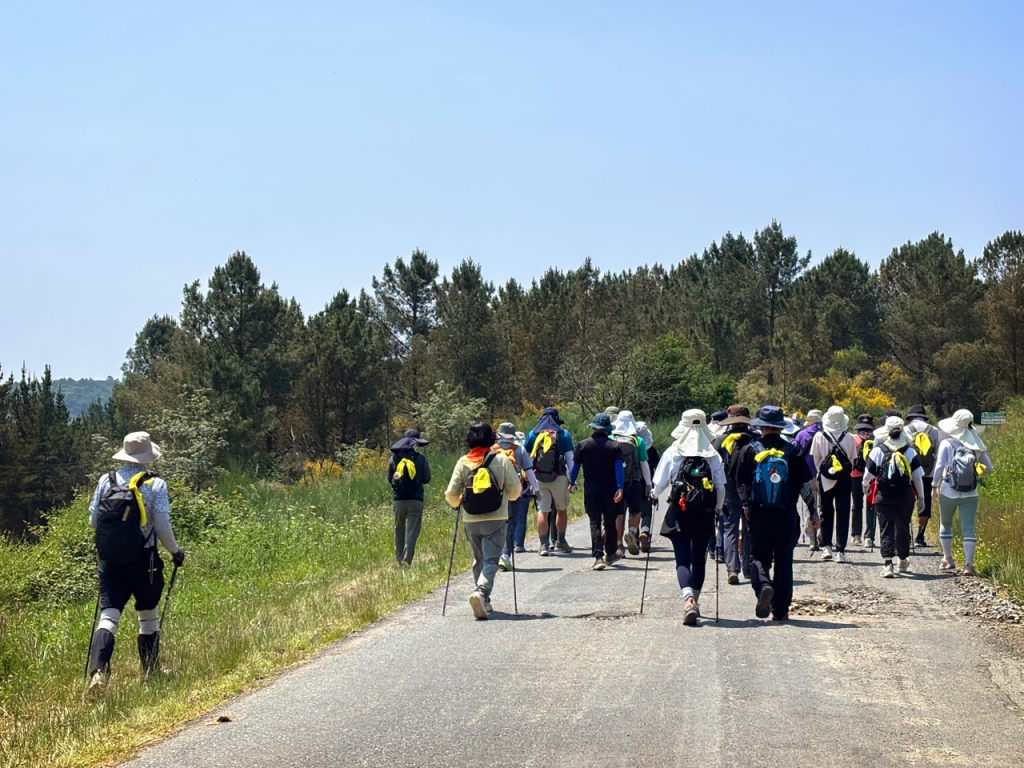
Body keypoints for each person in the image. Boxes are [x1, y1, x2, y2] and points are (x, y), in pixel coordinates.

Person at [86, 432, 185, 691]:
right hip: (145, 560)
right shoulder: (155, 485)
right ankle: (151, 671)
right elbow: (162, 526)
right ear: (147, 458)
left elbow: (93, 522)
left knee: (108, 616)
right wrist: (175, 552)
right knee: (148, 615)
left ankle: (98, 672)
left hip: (110, 560)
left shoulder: (105, 481)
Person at [735, 406, 812, 621]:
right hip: (786, 514)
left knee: (758, 556)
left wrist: (745, 505)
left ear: (761, 426)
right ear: (780, 427)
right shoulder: (792, 451)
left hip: (758, 514)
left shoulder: (749, 450)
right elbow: (803, 484)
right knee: (784, 560)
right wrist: (813, 512)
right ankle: (781, 610)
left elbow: (739, 481)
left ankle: (763, 587)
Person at [651, 409, 726, 624]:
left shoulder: (673, 452)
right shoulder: (712, 455)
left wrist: (653, 495)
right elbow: (720, 488)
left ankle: (688, 600)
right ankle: (696, 601)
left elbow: (659, 486)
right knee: (699, 558)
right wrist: (718, 509)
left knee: (682, 558)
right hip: (704, 513)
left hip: (679, 511)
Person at [444, 422, 523, 619]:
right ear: (491, 440)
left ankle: (483, 600)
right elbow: (515, 491)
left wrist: (458, 502)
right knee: (491, 560)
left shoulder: (463, 462)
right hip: (496, 517)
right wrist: (508, 497)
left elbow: (451, 494)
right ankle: (481, 592)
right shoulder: (502, 460)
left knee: (478, 558)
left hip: (470, 519)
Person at [861, 417, 925, 578]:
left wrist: (866, 488)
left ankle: (888, 564)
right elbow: (917, 477)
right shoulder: (910, 451)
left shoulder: (878, 450)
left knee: (885, 528)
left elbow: (868, 475)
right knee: (902, 526)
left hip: (884, 495)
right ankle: (902, 559)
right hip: (904, 496)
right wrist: (922, 498)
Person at [932, 410, 994, 576]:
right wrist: (974, 473)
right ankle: (968, 565)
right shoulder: (976, 445)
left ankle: (948, 559)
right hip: (970, 492)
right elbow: (989, 468)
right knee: (968, 528)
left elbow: (939, 467)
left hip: (948, 489)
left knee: (946, 524)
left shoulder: (947, 443)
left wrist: (933, 486)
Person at [569, 413, 625, 570]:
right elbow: (618, 469)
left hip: (591, 489)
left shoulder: (583, 445)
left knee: (594, 522)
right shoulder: (615, 446)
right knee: (610, 521)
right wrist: (620, 487)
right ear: (607, 429)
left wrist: (571, 482)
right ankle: (611, 553)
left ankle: (598, 557)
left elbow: (575, 467)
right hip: (610, 489)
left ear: (593, 427)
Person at [524, 407, 575, 555]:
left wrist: (528, 478)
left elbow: (527, 456)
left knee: (543, 511)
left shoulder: (533, 434)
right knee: (561, 508)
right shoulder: (563, 434)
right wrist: (572, 480)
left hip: (538, 477)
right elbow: (570, 459)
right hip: (559, 477)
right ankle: (561, 541)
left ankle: (543, 545)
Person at [715, 406, 757, 584]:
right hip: (750, 490)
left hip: (728, 489)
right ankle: (748, 567)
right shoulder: (755, 440)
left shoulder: (720, 440)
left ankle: (732, 568)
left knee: (729, 528)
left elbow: (715, 467)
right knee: (749, 529)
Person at [811, 406, 857, 563]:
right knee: (843, 513)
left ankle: (827, 547)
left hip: (825, 480)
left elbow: (816, 459)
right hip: (844, 479)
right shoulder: (849, 437)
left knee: (825, 512)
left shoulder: (819, 436)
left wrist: (823, 472)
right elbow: (852, 459)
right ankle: (841, 551)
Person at [494, 422, 539, 572]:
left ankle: (494, 554)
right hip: (514, 492)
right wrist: (536, 489)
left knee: (496, 523)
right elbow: (529, 472)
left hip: (494, 493)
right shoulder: (519, 450)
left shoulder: (491, 450)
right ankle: (505, 555)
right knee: (511, 523)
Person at [387, 429, 432, 567]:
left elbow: (390, 479)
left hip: (399, 500)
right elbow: (427, 479)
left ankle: (399, 559)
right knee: (412, 531)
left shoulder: (394, 458)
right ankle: (407, 561)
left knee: (399, 528)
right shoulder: (421, 459)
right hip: (416, 500)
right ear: (415, 444)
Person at [610, 410, 652, 558]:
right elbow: (644, 464)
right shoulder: (638, 441)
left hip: (614, 482)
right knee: (636, 511)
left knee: (618, 514)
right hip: (633, 481)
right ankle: (632, 531)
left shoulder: (611, 438)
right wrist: (648, 485)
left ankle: (619, 544)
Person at [905, 405, 940, 547]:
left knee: (907, 503)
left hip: (909, 474)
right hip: (927, 473)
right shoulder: (933, 431)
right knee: (925, 504)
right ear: (924, 417)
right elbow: (937, 453)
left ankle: (906, 535)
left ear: (911, 417)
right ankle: (920, 536)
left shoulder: (906, 430)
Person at [793, 409, 824, 551]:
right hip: (825, 475)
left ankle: (812, 539)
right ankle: (823, 535)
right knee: (824, 506)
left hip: (807, 474)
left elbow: (795, 454)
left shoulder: (801, 434)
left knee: (809, 506)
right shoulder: (827, 434)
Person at [850, 414, 875, 548]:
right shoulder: (875, 439)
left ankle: (856, 535)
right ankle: (869, 537)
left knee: (856, 505)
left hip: (855, 474)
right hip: (872, 476)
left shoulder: (853, 438)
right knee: (871, 506)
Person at [635, 420, 660, 552]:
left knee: (634, 511)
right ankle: (644, 532)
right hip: (647, 484)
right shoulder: (652, 451)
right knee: (646, 512)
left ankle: (634, 536)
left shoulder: (632, 445)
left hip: (632, 483)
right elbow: (659, 468)